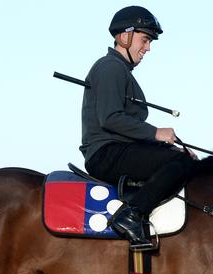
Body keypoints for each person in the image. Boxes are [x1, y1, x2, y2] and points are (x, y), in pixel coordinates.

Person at [80, 6, 196, 251]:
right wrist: (156, 133)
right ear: (124, 36)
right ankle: (131, 215)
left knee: (181, 160)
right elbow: (110, 118)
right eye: (145, 40)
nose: (148, 48)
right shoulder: (109, 67)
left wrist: (172, 148)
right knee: (181, 164)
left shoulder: (121, 70)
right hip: (107, 153)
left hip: (119, 149)